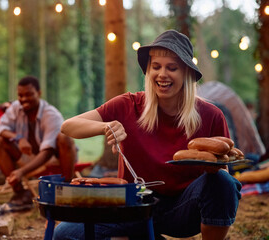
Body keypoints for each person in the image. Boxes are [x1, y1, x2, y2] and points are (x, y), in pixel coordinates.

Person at [55, 30, 242, 240]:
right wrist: (106, 126)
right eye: (156, 67)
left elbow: (222, 179)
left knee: (224, 182)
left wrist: (211, 169)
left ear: (187, 73)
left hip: (184, 210)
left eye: (172, 68)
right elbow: (68, 126)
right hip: (134, 208)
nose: (162, 74)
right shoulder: (128, 104)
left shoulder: (211, 115)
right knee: (65, 233)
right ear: (148, 71)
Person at [0, 76, 77, 205]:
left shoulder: (51, 115)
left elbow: (47, 151)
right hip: (28, 156)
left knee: (64, 138)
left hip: (53, 158)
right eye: (20, 95)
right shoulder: (15, 108)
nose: (24, 99)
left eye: (29, 94)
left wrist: (22, 171)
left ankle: (66, 189)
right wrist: (18, 138)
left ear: (39, 93)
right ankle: (20, 193)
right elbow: (0, 129)